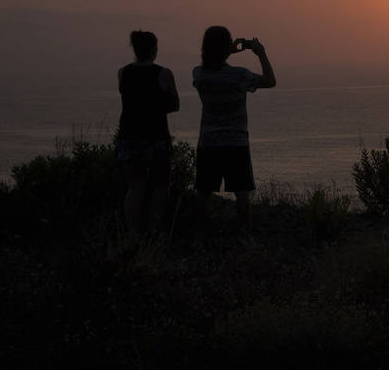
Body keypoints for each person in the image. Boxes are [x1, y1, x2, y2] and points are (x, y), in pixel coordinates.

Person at [192, 25, 276, 230]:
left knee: (203, 193)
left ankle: (201, 234)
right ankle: (244, 234)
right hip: (235, 142)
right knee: (242, 194)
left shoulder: (199, 74)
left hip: (208, 142)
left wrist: (226, 50)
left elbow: (212, 64)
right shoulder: (239, 75)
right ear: (226, 47)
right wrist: (260, 52)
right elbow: (270, 81)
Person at [115, 30, 179, 234]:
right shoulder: (163, 73)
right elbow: (174, 105)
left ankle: (133, 235)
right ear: (154, 49)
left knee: (135, 188)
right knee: (161, 186)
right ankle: (155, 230)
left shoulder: (123, 72)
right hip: (156, 136)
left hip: (129, 136)